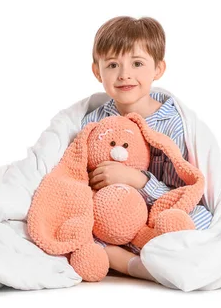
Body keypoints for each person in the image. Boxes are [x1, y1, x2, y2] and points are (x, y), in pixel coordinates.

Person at [81, 16, 213, 282]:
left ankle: (147, 258)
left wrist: (138, 181)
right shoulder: (93, 122)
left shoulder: (172, 125)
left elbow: (188, 194)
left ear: (158, 69)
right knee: (81, 227)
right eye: (112, 65)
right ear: (97, 72)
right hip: (115, 221)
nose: (124, 74)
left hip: (159, 214)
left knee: (198, 218)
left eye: (137, 63)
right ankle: (137, 266)